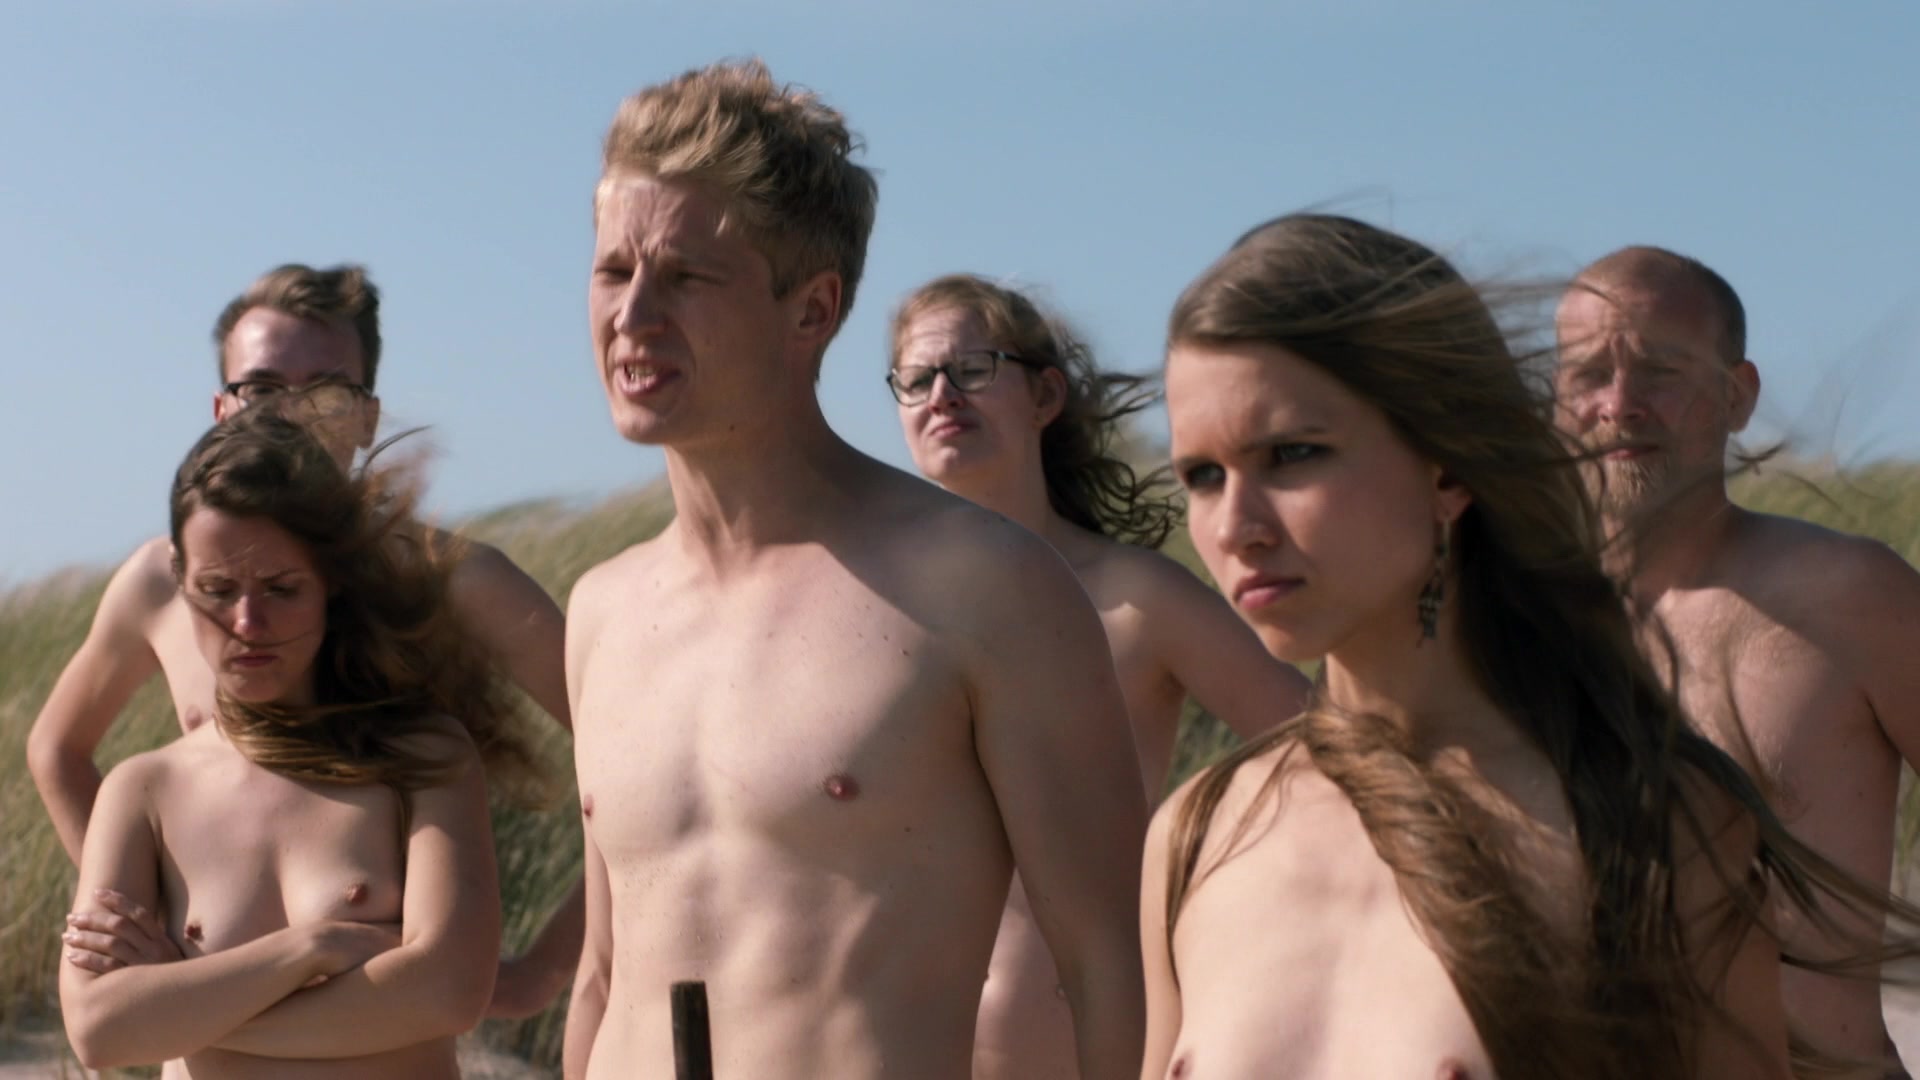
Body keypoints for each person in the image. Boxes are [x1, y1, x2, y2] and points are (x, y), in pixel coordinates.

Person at [1140, 213, 1908, 1079]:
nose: (1234, 527)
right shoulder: (1198, 836)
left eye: (1292, 454)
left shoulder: (1650, 828)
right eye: (1202, 475)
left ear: (1448, 466)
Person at [564, 60, 1147, 1080]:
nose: (634, 314)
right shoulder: (602, 610)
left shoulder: (982, 585)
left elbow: (1109, 969)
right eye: (614, 271)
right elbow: (604, 977)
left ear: (813, 309)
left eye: (687, 277)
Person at [29, 263, 583, 1018]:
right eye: (262, 390)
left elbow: (636, 766)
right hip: (199, 1043)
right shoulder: (162, 580)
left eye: (325, 393)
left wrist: (537, 973)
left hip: (375, 1032)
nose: (290, 417)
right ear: (222, 409)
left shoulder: (453, 581)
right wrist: (146, 920)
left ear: (368, 418)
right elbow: (56, 749)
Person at [887, 274, 1309, 1078]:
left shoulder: (1138, 601)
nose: (942, 395)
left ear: (1045, 395)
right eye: (917, 378)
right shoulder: (872, 613)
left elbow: (1337, 754)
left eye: (973, 369)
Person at [60, 406, 547, 1076]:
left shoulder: (422, 759)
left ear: (330, 580)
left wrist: (187, 1015)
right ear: (178, 579)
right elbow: (98, 1029)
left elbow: (449, 992)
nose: (248, 622)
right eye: (217, 589)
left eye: (281, 588)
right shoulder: (144, 790)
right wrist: (315, 947)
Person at [1556, 245, 1920, 1075]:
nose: (1620, 403)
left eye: (1660, 370)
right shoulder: (1515, 627)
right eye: (1588, 375)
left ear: (1738, 395)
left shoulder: (1849, 597)